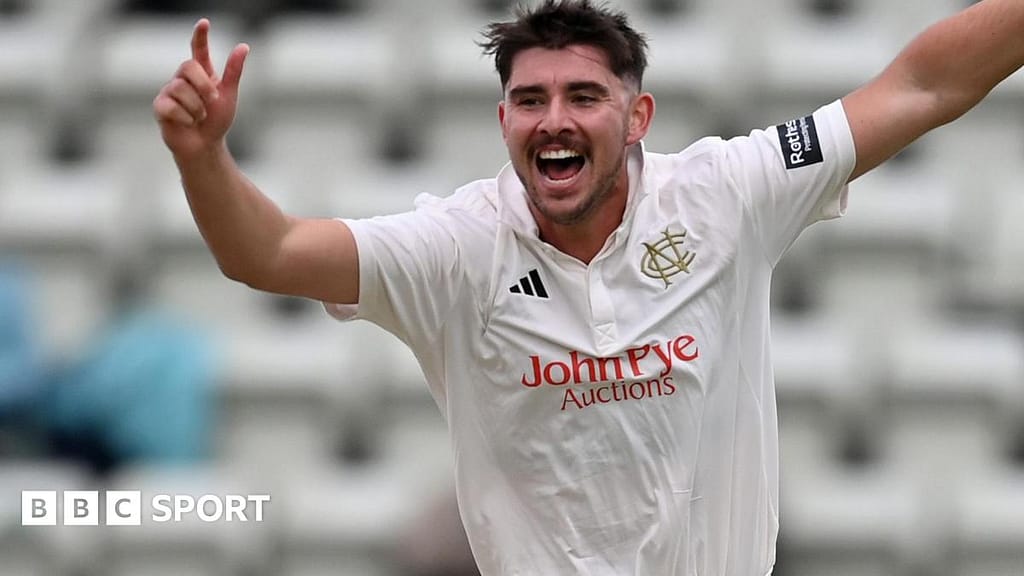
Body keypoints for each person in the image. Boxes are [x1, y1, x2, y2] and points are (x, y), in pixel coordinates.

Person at [152, 1, 1024, 574]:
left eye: (584, 96)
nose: (556, 120)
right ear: (503, 120)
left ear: (637, 117)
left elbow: (923, 85)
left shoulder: (727, 193)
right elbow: (268, 253)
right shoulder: (454, 249)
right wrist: (202, 155)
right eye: (531, 100)